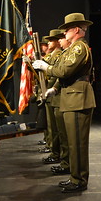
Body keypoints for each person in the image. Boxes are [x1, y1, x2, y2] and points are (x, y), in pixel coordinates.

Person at [33, 13, 95, 193]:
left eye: (67, 29)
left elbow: (65, 70)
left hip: (78, 98)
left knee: (78, 143)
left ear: (76, 30)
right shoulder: (73, 48)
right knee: (72, 141)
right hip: (71, 97)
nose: (64, 33)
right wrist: (56, 88)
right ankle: (75, 176)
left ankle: (79, 179)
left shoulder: (79, 48)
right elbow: (66, 74)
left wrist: (47, 67)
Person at [49, 30, 71, 176]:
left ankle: (66, 163)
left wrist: (46, 68)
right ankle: (64, 161)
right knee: (58, 131)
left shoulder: (75, 50)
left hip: (66, 97)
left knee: (65, 135)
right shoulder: (63, 54)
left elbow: (61, 72)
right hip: (60, 95)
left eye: (63, 36)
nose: (62, 39)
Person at [41, 29, 63, 166]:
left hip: (57, 94)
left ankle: (56, 153)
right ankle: (53, 149)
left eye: (51, 40)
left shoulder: (59, 54)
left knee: (56, 129)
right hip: (51, 92)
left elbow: (56, 72)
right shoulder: (54, 54)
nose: (48, 43)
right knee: (51, 126)